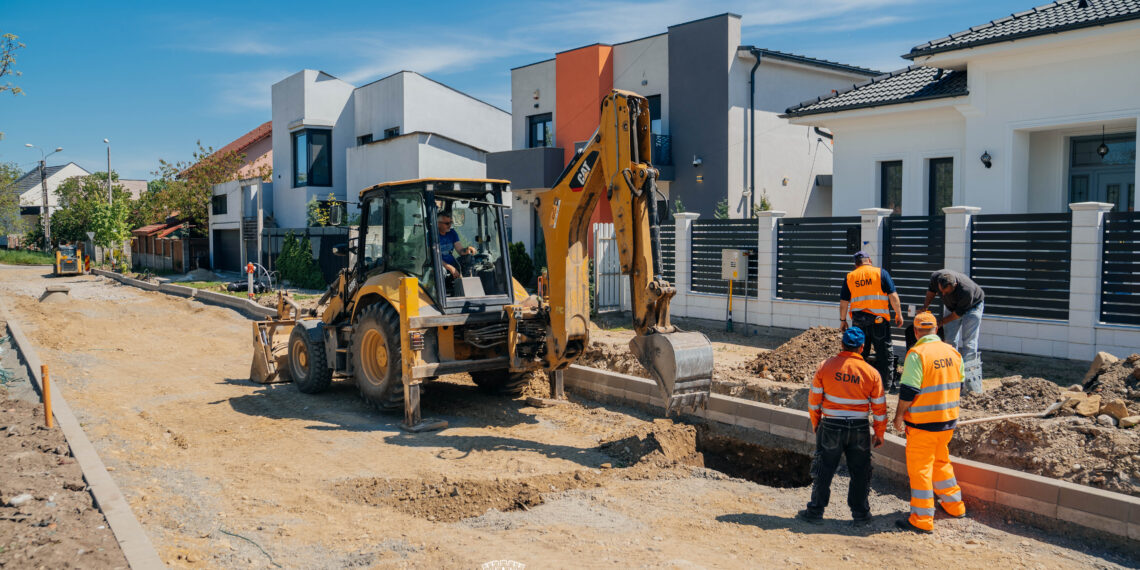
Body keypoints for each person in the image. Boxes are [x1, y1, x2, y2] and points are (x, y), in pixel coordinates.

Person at [796, 327, 887, 527]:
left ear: (841, 345)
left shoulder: (825, 366)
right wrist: (879, 433)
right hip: (859, 428)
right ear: (862, 347)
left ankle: (815, 511)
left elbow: (814, 400)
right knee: (860, 472)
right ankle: (861, 515)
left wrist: (816, 423)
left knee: (823, 469)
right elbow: (880, 408)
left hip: (830, 425)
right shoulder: (872, 373)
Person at [892, 311, 966, 534]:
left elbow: (909, 390)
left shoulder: (917, 354)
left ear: (916, 332)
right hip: (947, 422)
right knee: (940, 462)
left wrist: (898, 416)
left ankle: (922, 519)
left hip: (923, 425)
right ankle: (954, 506)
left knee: (921, 469)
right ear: (936, 329)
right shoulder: (953, 352)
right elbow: (960, 385)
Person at [839, 251, 904, 392]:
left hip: (859, 321)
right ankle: (885, 387)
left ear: (856, 264)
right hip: (878, 320)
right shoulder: (881, 273)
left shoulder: (850, 276)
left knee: (859, 353)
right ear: (869, 260)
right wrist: (898, 314)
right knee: (884, 353)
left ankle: (858, 385)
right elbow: (893, 296)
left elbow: (844, 302)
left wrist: (843, 320)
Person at [922, 269, 984, 394]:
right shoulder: (935, 277)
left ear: (954, 285)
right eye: (941, 291)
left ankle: (970, 387)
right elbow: (931, 292)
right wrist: (925, 307)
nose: (943, 295)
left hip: (972, 307)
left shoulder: (966, 290)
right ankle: (952, 380)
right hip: (952, 307)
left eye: (946, 292)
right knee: (949, 342)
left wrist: (939, 323)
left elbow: (956, 315)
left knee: (969, 344)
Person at [436, 212, 475, 279]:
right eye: (447, 223)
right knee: (441, 271)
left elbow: (460, 250)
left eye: (451, 223)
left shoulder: (452, 233)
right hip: (440, 265)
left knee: (469, 258)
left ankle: (467, 280)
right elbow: (434, 258)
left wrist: (467, 249)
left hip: (452, 262)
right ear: (438, 224)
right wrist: (450, 267)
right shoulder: (432, 235)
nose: (449, 225)